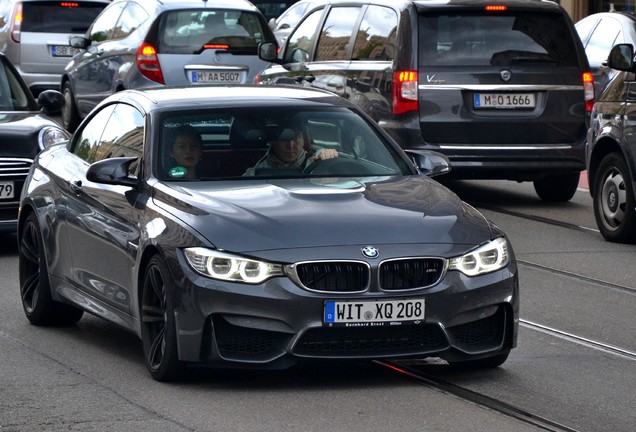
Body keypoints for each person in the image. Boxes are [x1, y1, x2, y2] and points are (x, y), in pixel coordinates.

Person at [243, 124, 338, 176]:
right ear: (273, 141)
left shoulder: (318, 164)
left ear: (304, 140)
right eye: (284, 138)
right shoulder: (255, 174)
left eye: (297, 137)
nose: (291, 145)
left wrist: (329, 157)